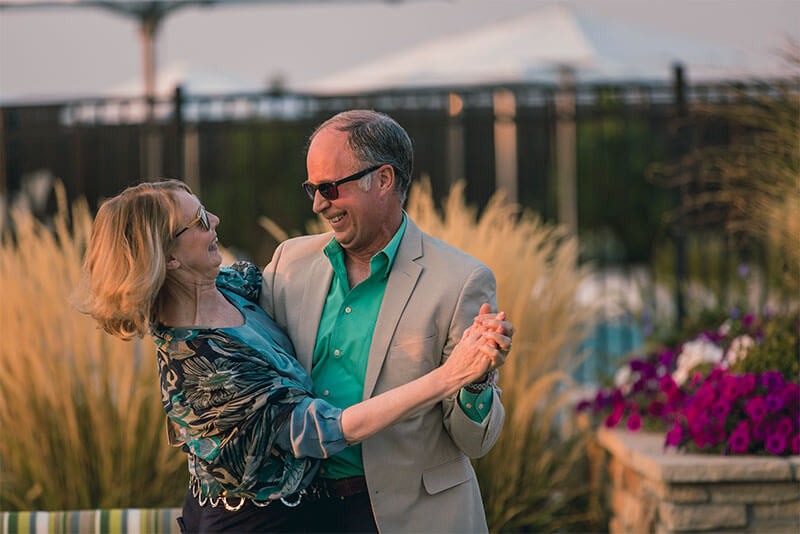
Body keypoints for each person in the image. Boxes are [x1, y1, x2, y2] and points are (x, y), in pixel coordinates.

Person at [78, 179, 511, 533]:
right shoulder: (199, 364)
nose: (215, 221)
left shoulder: (233, 286)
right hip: (249, 525)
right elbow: (326, 429)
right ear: (168, 257)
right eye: (198, 221)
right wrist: (449, 375)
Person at [259, 109, 511, 533]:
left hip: (415, 517)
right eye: (312, 189)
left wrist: (475, 382)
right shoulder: (288, 263)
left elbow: (476, 442)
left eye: (330, 188)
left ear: (383, 180)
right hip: (301, 515)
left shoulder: (462, 280)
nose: (319, 204)